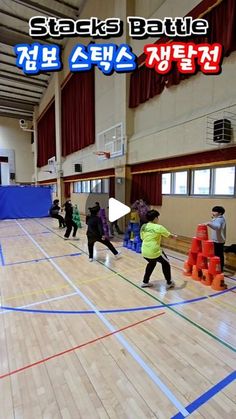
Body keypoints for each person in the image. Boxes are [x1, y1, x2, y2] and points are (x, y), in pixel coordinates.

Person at [140, 209, 176, 289]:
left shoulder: (143, 226)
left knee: (152, 263)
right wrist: (174, 236)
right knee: (166, 263)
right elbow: (169, 235)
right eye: (157, 217)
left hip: (144, 251)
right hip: (154, 251)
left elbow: (142, 237)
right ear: (155, 218)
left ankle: (145, 282)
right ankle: (169, 282)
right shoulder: (159, 227)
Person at [205, 206, 226, 271]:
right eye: (212, 211)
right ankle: (219, 267)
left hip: (218, 241)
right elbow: (216, 222)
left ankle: (219, 268)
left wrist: (209, 223)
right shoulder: (221, 217)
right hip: (219, 240)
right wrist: (213, 218)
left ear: (220, 213)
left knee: (218, 255)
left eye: (214, 211)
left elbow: (217, 227)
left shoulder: (219, 219)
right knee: (219, 255)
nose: (212, 212)